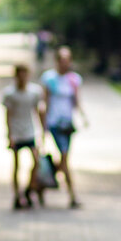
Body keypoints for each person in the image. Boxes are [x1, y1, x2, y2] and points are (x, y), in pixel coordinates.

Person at [40, 46, 88, 208]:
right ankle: (72, 195)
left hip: (68, 124)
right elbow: (44, 103)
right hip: (54, 123)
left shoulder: (74, 79)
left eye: (68, 60)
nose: (65, 64)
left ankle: (39, 183)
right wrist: (43, 126)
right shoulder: (49, 78)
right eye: (62, 60)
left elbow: (77, 100)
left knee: (64, 159)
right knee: (65, 158)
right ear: (57, 61)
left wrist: (83, 116)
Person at [1, 63, 45, 209]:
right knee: (16, 165)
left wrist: (42, 131)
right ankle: (17, 195)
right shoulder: (10, 93)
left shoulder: (34, 91)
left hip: (30, 131)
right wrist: (9, 134)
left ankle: (29, 190)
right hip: (16, 132)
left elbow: (37, 111)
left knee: (36, 162)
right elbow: (8, 115)